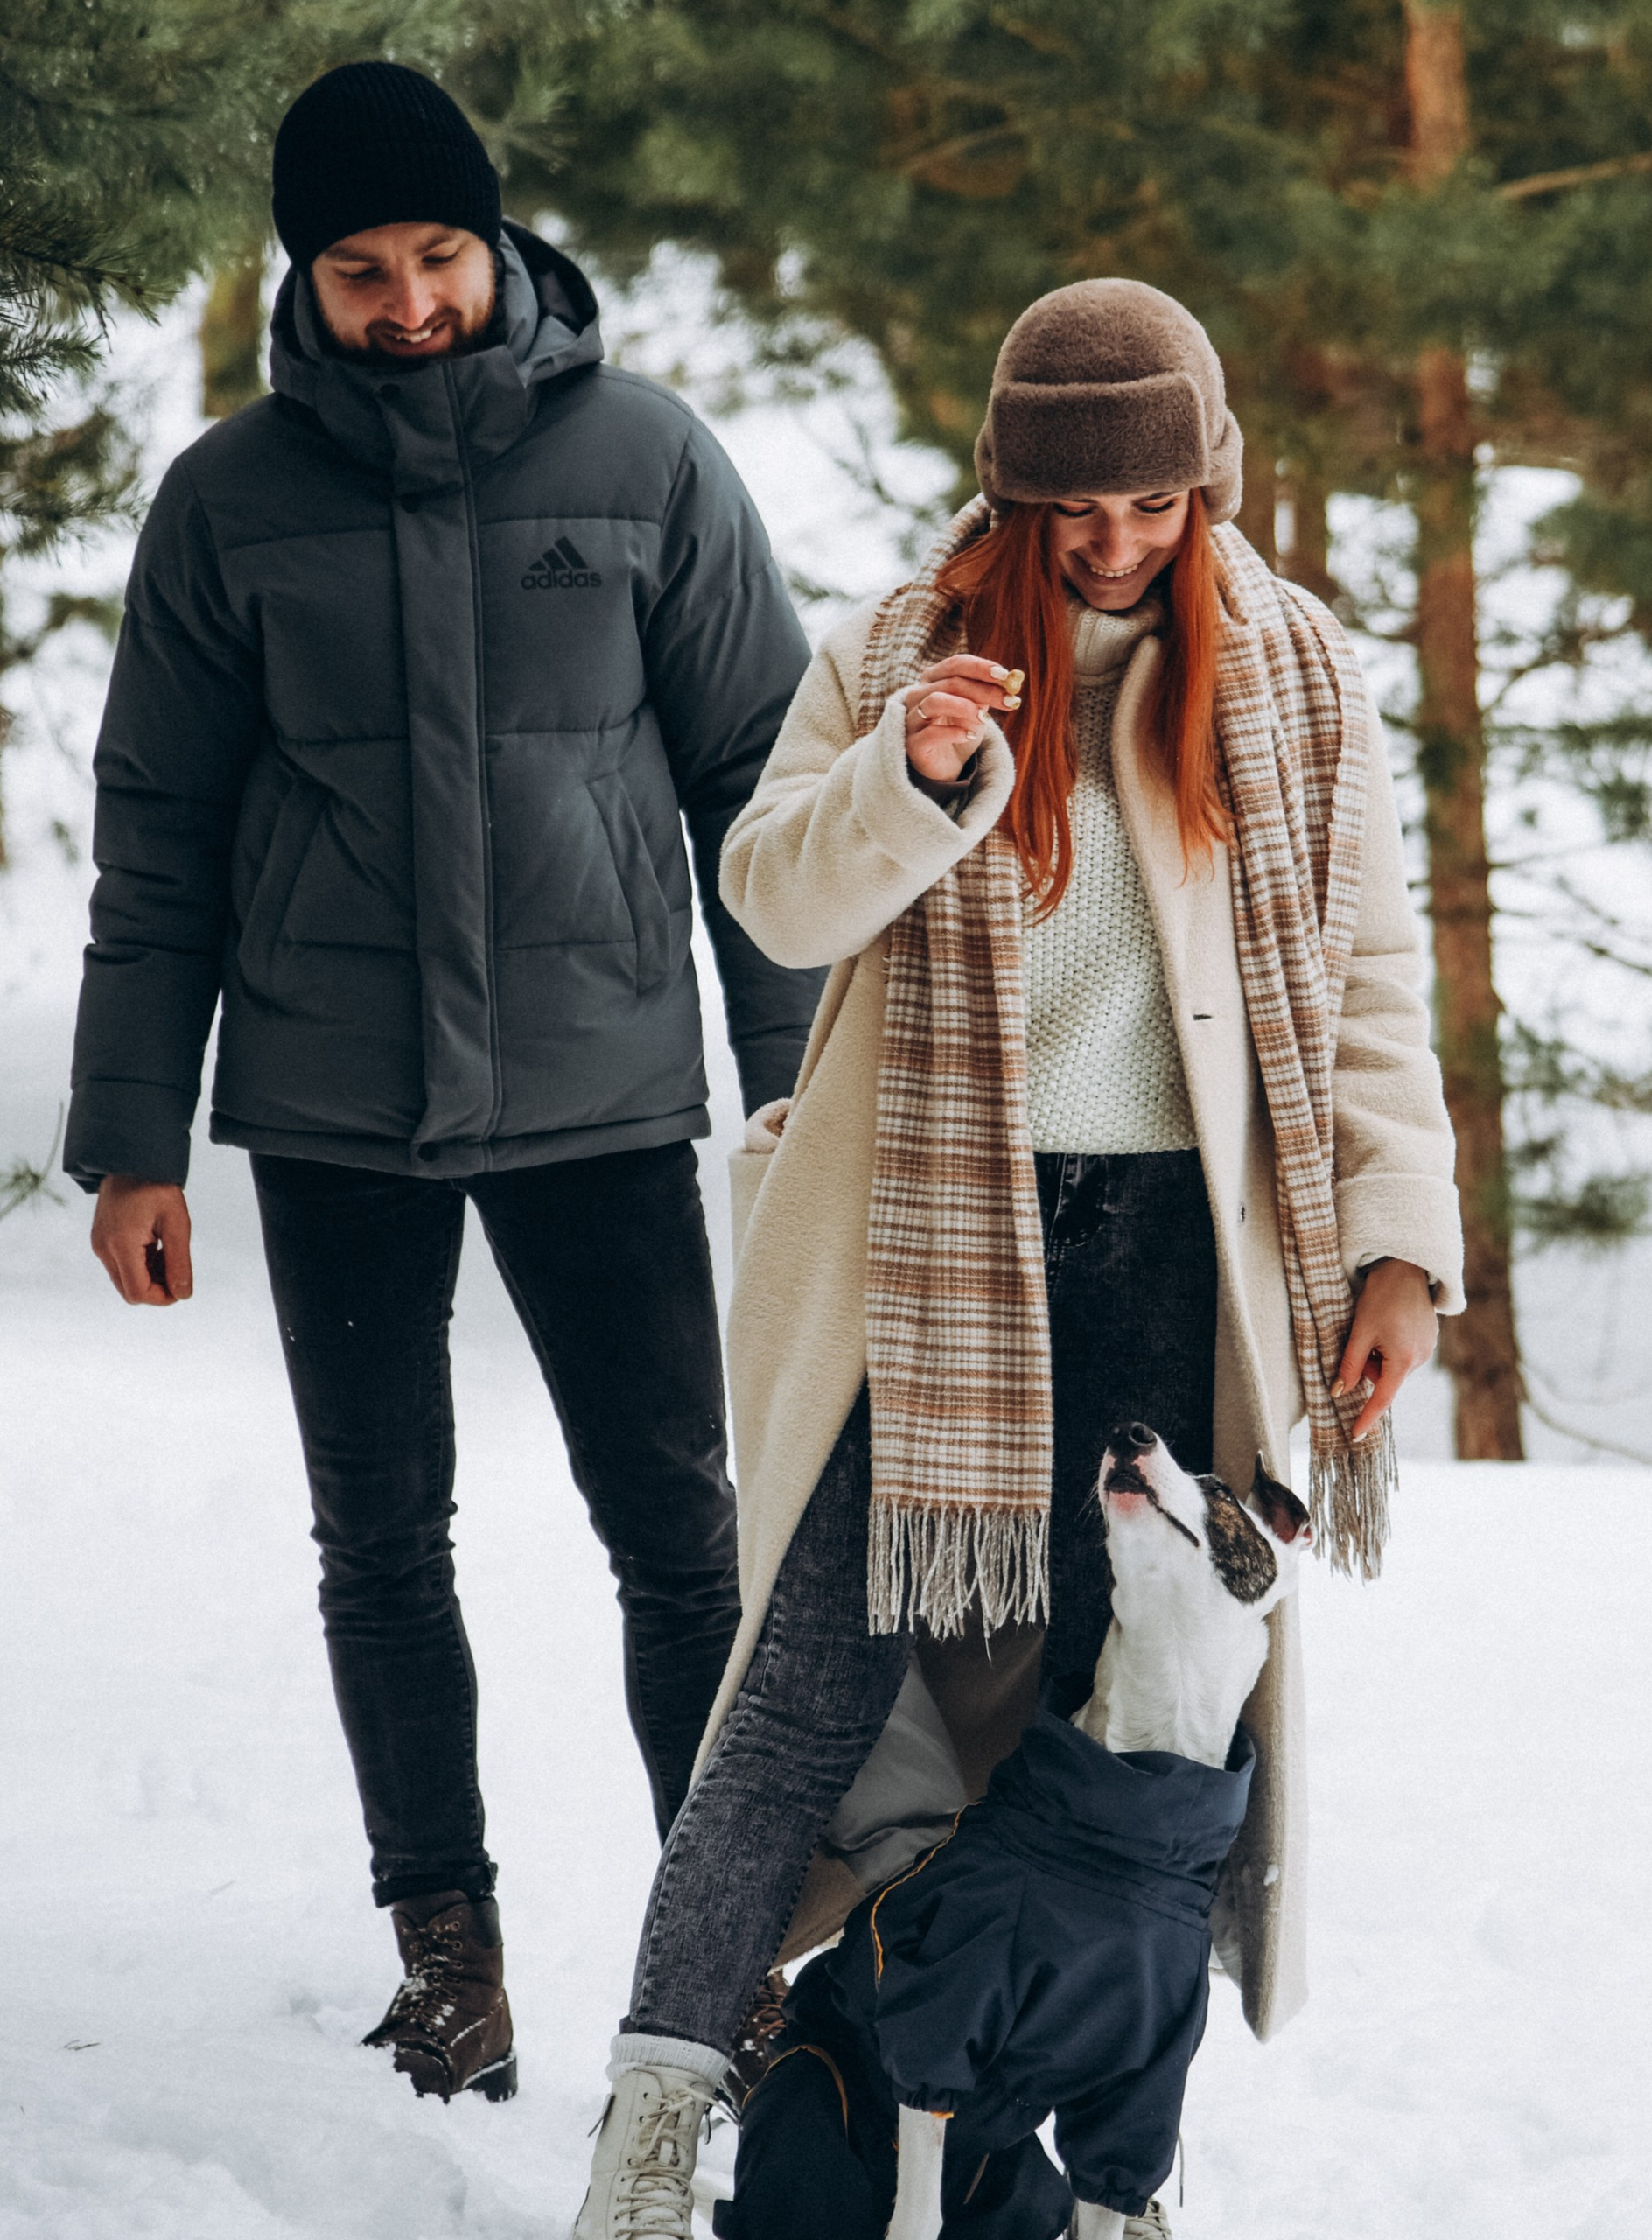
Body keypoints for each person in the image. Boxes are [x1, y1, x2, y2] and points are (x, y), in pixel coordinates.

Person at [570, 277, 1466, 2238]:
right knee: (802, 1687)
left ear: (1206, 482)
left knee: (1125, 1707)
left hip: (1181, 1258)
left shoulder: (1298, 675)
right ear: (1008, 489)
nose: (1115, 541)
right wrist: (910, 776)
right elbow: (772, 900)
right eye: (1074, 506)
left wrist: (1395, 1251)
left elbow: (1370, 986)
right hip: (935, 1248)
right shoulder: (902, 653)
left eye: (1153, 503)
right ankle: (655, 2115)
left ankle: (1104, 2174)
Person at [63, 61, 820, 2104]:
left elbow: (772, 797)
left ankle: (724, 1957)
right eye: (363, 267)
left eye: (440, 257)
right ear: (306, 278)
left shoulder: (652, 462)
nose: (409, 303)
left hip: (597, 1092)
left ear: (500, 249)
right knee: (380, 1539)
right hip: (332, 1102)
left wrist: (793, 1085)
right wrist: (134, 1136)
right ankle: (448, 1954)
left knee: (680, 1537)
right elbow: (161, 825)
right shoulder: (230, 499)